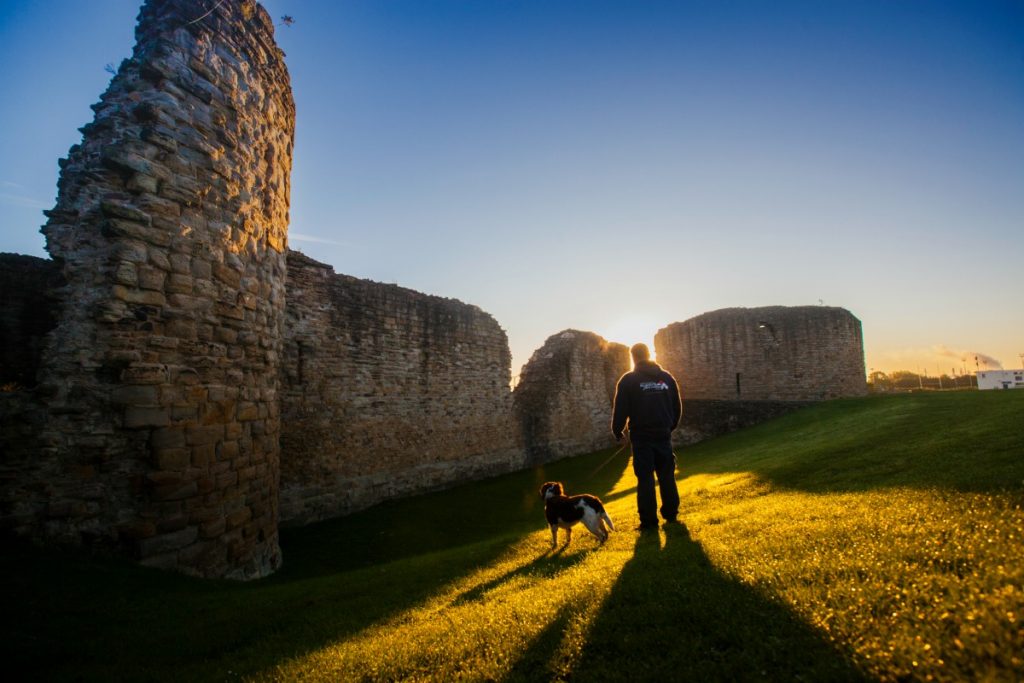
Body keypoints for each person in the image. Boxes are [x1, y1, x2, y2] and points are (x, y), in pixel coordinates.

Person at [611, 343, 682, 530]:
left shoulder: (628, 381)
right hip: (663, 434)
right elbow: (677, 407)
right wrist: (669, 427)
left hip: (642, 437)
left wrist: (617, 431)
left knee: (645, 479)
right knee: (667, 475)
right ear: (648, 354)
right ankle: (671, 514)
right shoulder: (667, 378)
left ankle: (649, 522)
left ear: (633, 357)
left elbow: (620, 410)